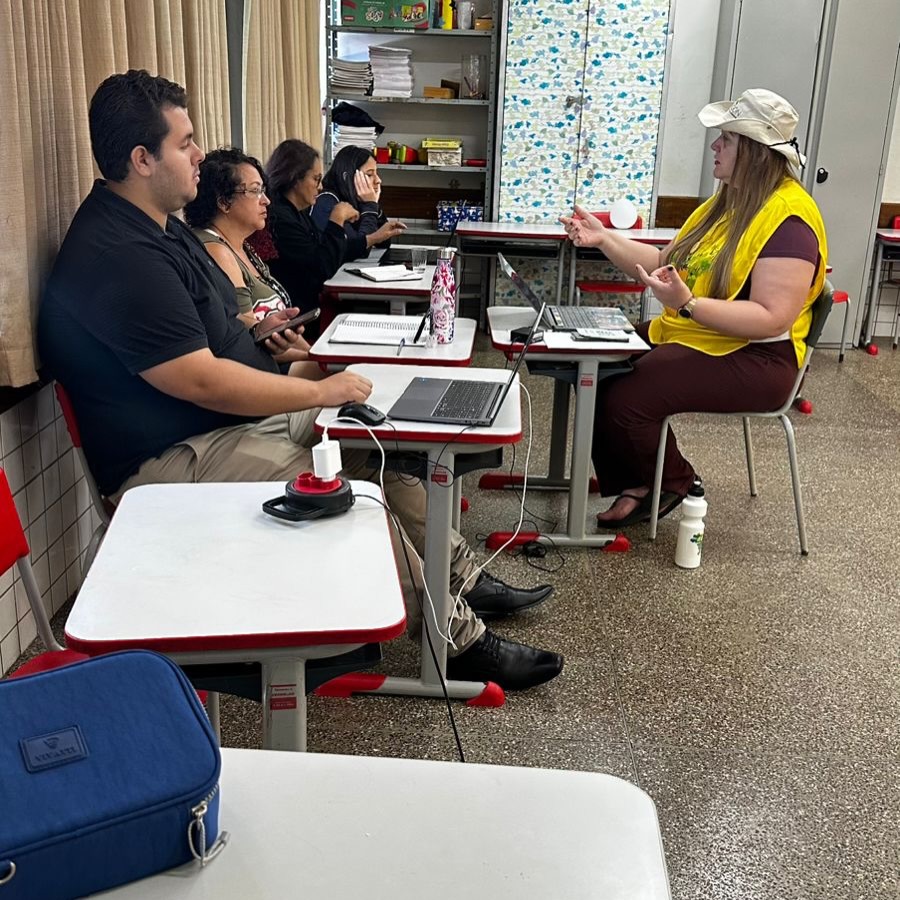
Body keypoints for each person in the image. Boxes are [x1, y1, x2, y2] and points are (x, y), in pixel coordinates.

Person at [38, 69, 562, 691]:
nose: (200, 155)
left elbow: (210, 324)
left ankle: (460, 578)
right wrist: (318, 390)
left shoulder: (159, 226)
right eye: (185, 143)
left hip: (224, 427)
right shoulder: (121, 253)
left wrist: (265, 335)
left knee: (378, 446)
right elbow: (200, 380)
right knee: (343, 493)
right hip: (172, 457)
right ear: (142, 159)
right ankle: (457, 638)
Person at [560, 88, 827, 527]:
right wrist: (604, 238)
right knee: (597, 364)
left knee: (628, 394)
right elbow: (662, 263)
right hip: (703, 337)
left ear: (755, 151)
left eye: (727, 139)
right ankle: (639, 481)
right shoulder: (725, 204)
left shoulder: (789, 219)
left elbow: (771, 318)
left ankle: (674, 482)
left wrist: (687, 304)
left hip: (760, 359)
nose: (715, 146)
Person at [183, 147, 290, 329]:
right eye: (255, 191)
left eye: (263, 190)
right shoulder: (216, 251)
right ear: (224, 202)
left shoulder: (242, 245)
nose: (266, 200)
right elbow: (244, 333)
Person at [255, 139, 358, 326]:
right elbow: (323, 266)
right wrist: (337, 220)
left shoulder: (297, 212)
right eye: (316, 179)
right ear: (295, 178)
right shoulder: (279, 218)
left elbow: (324, 247)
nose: (320, 187)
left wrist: (373, 238)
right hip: (297, 316)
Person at [311, 145, 405, 261]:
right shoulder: (327, 202)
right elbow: (359, 249)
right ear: (347, 178)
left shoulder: (355, 200)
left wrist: (374, 206)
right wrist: (370, 205)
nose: (378, 180)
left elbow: (383, 243)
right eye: (369, 174)